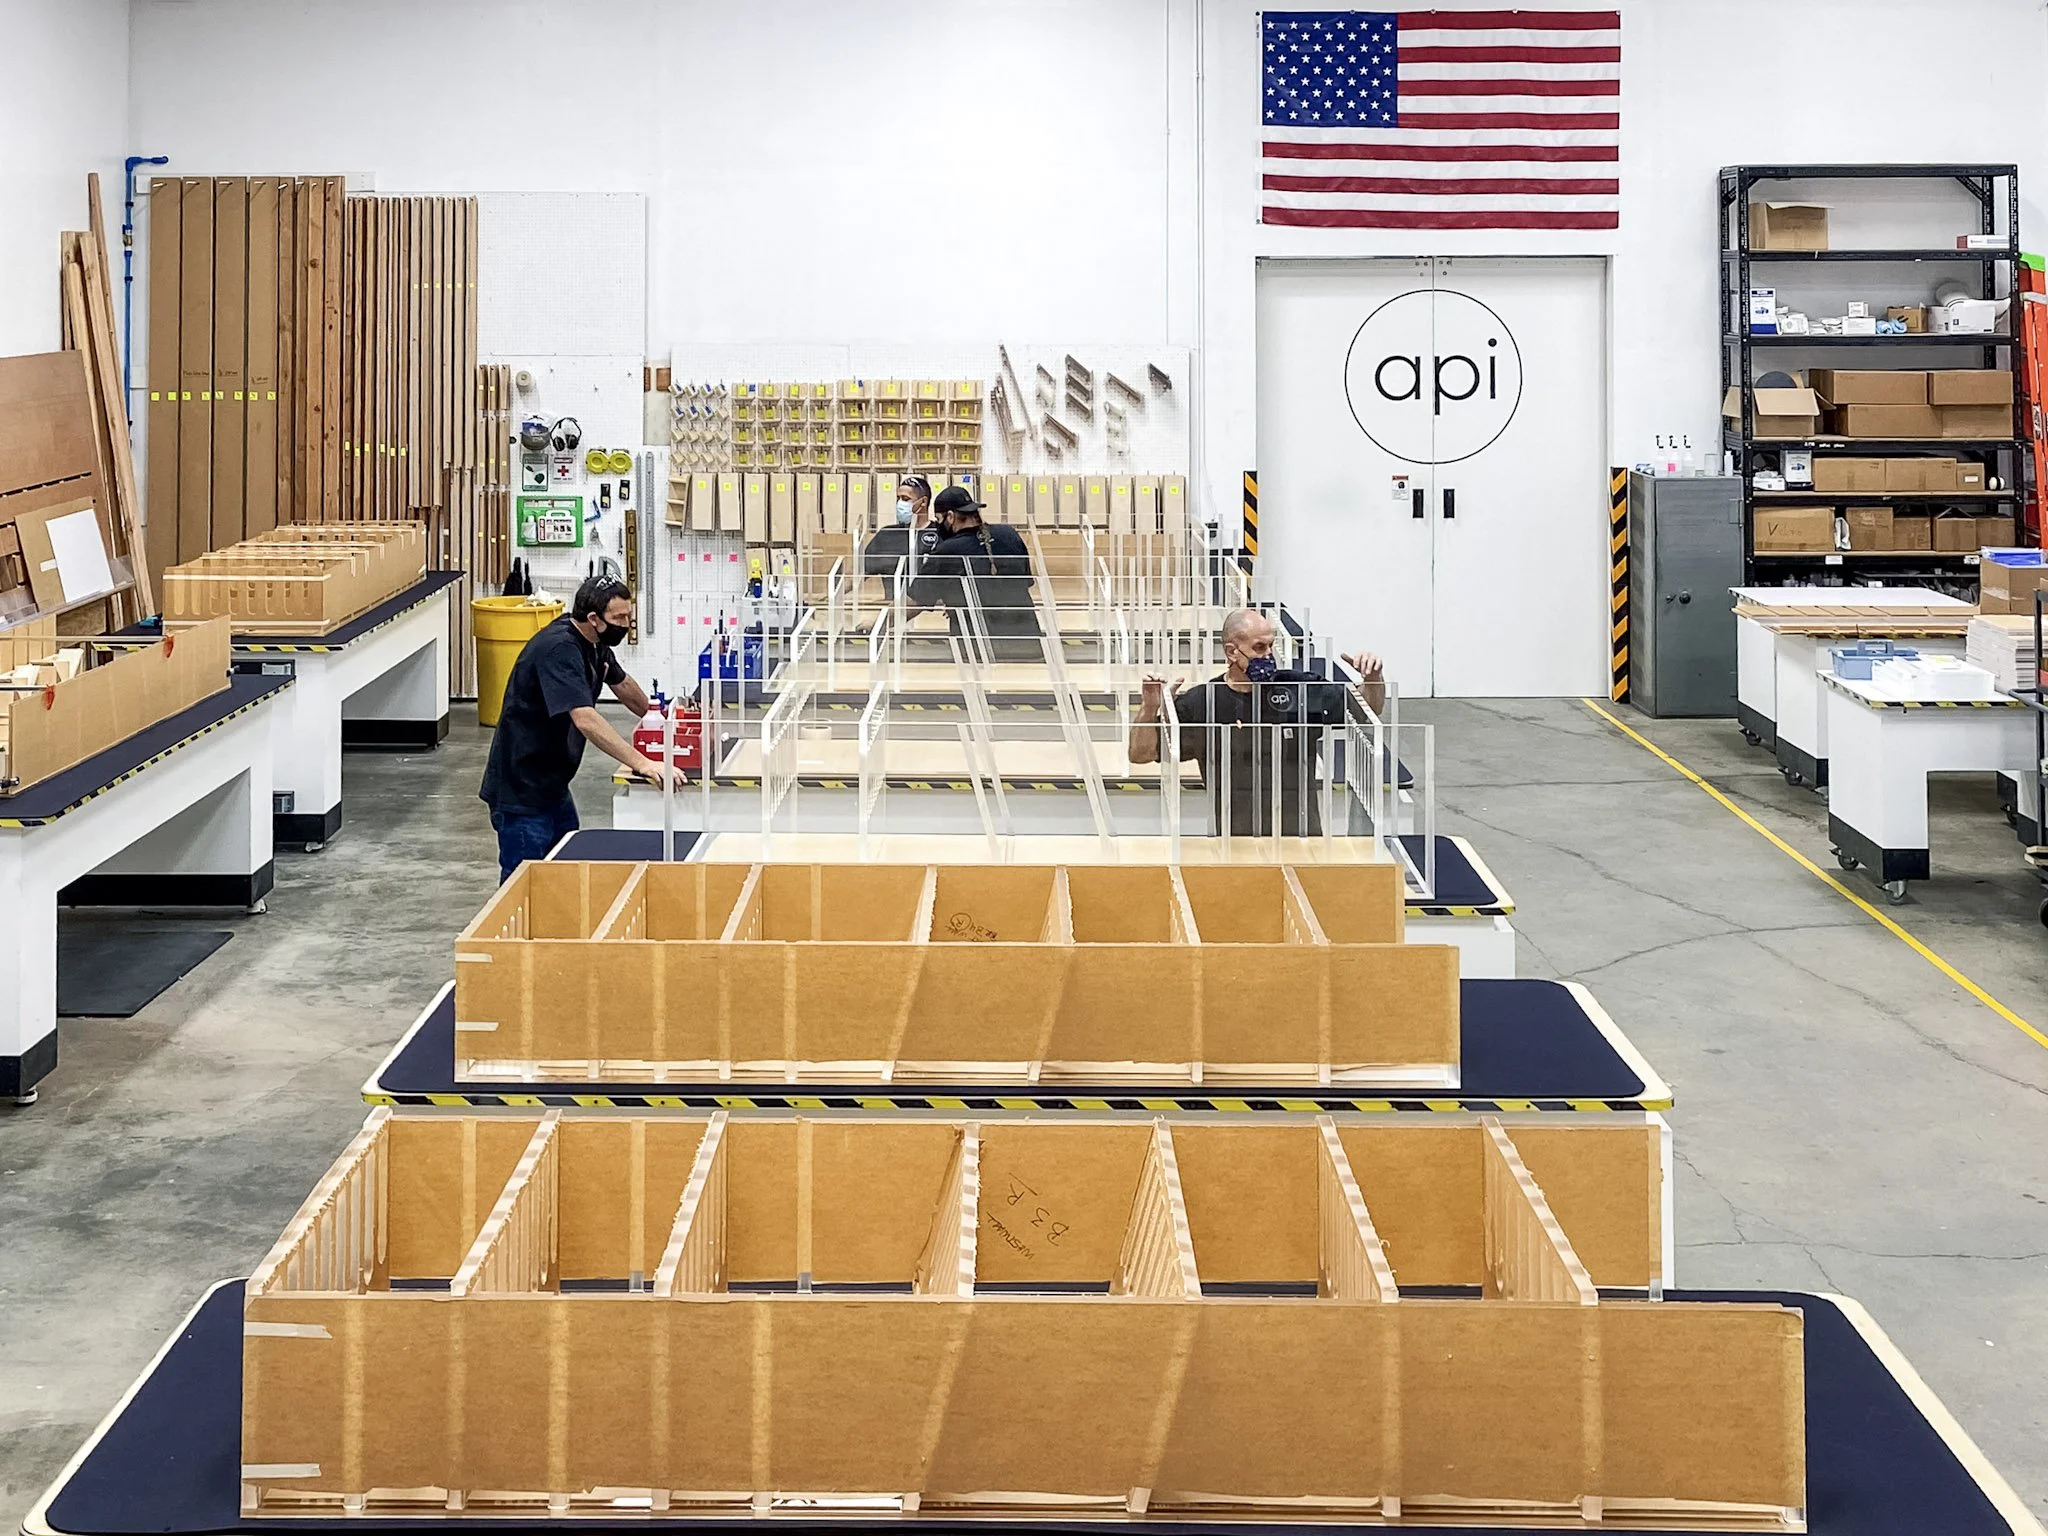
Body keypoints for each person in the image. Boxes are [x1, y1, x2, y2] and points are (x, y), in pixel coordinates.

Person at [479, 574, 679, 882]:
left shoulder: (594, 644)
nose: (626, 624)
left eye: (629, 615)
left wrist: (663, 720)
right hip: (521, 789)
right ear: (593, 618)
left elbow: (622, 684)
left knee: (564, 872)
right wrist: (643, 763)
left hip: (553, 785)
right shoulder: (559, 648)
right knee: (523, 885)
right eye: (619, 618)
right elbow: (584, 718)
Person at [1127, 607, 1385, 836]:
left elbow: (1366, 710)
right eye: (1259, 648)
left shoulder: (1299, 690)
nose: (1269, 655)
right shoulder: (1203, 702)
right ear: (1231, 652)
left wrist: (1373, 679)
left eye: (1271, 646)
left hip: (1302, 838)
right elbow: (1141, 754)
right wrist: (1149, 709)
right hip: (1234, 842)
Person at [905, 485, 1043, 661]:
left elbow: (913, 603)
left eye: (939, 519)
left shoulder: (947, 550)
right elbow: (1022, 582)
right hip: (1028, 644)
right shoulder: (1009, 534)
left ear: (950, 517)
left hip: (978, 650)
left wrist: (877, 622)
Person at [860, 473, 942, 597]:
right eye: (898, 498)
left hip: (930, 612)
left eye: (905, 499)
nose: (899, 503)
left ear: (923, 502)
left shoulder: (941, 533)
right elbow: (857, 575)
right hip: (894, 608)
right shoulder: (887, 535)